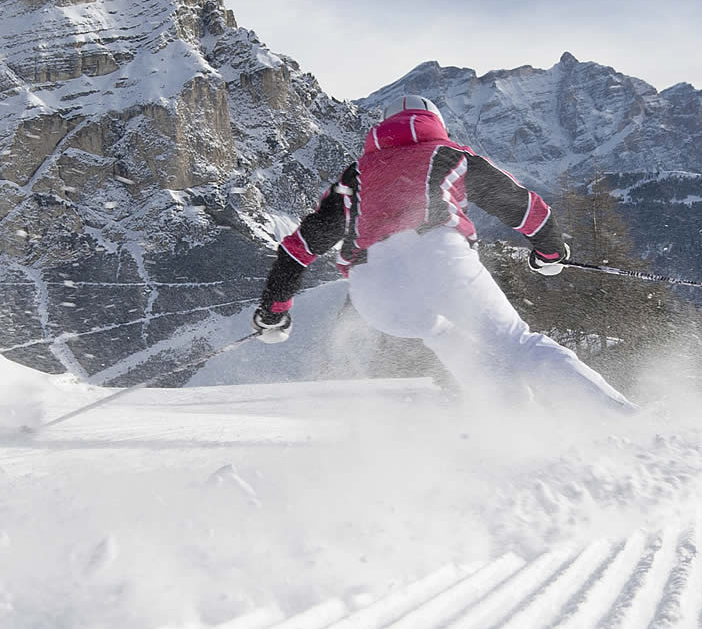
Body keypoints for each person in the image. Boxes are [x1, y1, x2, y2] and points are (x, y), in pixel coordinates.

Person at [251, 95, 635, 413]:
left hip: (372, 288)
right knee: (515, 342)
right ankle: (621, 421)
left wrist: (274, 313)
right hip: (435, 253)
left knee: (446, 335)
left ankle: (519, 433)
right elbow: (522, 207)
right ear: (435, 121)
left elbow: (297, 250)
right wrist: (550, 253)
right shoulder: (448, 154)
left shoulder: (356, 174)